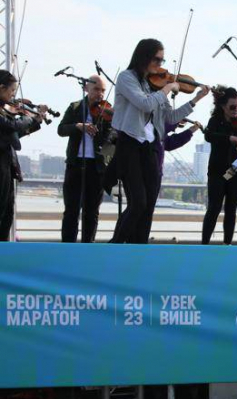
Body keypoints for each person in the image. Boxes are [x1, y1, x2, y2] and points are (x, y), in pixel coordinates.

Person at [108, 38, 209, 244]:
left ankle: (139, 248)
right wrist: (167, 89)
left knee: (149, 205)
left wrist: (195, 99)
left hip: (150, 149)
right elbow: (144, 104)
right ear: (143, 56)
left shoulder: (152, 85)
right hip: (129, 145)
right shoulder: (127, 78)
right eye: (157, 59)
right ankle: (116, 245)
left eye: (162, 61)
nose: (160, 66)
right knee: (138, 202)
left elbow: (170, 118)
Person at [58, 74, 115, 243]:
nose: (100, 94)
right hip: (76, 164)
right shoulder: (75, 107)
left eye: (103, 90)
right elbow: (61, 129)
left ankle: (88, 246)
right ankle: (68, 247)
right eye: (96, 89)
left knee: (92, 211)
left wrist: (107, 136)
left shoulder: (106, 111)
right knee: (71, 209)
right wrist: (78, 126)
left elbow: (113, 134)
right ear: (86, 88)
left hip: (96, 166)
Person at [202, 87, 237, 245]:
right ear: (223, 106)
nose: (236, 110)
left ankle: (227, 244)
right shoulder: (215, 121)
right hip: (218, 172)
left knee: (231, 210)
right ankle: (204, 244)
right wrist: (230, 138)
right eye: (233, 107)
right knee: (214, 208)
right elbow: (209, 135)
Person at [0, 70, 45, 242]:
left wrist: (36, 121)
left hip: (7, 166)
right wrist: (31, 117)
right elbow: (11, 126)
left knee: (7, 214)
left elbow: (13, 135)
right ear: (1, 88)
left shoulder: (4, 111)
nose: (13, 95)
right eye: (11, 91)